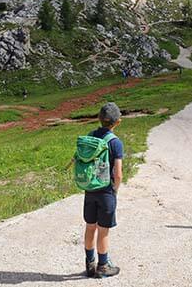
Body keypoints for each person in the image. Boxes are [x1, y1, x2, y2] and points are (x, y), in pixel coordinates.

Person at [82, 102, 124, 278]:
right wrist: (114, 189)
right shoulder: (115, 143)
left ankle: (89, 264)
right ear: (118, 122)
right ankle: (103, 266)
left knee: (90, 227)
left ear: (99, 119)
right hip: (106, 191)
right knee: (103, 230)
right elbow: (119, 173)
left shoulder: (91, 136)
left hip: (90, 189)